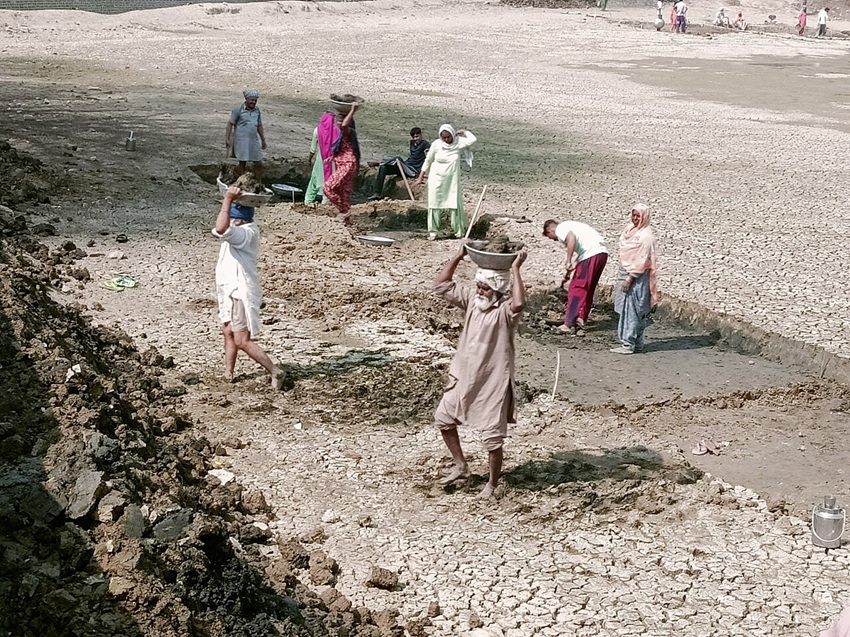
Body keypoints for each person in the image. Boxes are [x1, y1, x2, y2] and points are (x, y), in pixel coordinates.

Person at [433, 241, 527, 498]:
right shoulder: (473, 302)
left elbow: (519, 304)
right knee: (443, 419)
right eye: (479, 285)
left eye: (486, 287)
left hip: (492, 382)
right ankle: (461, 465)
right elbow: (442, 285)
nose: (481, 291)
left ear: (498, 290)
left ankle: (493, 484)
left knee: (492, 440)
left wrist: (516, 268)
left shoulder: (505, 312)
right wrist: (458, 256)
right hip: (463, 376)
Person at [213, 185, 285, 389]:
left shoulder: (245, 234)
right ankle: (229, 372)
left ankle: (275, 370)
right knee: (227, 330)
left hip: (240, 291)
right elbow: (222, 227)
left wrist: (227, 199)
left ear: (238, 219)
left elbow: (220, 228)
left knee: (241, 339)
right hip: (229, 289)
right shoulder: (240, 229)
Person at [543, 219, 608, 337]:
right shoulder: (575, 226)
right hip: (601, 254)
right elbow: (583, 250)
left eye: (550, 237)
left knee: (576, 288)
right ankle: (581, 318)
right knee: (588, 288)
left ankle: (568, 323)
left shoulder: (561, 228)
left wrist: (568, 261)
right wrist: (571, 269)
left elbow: (571, 238)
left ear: (550, 230)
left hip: (590, 255)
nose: (554, 239)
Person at [611, 203, 658, 355]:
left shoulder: (646, 237)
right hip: (626, 272)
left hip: (636, 278)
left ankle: (628, 343)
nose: (635, 218)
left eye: (639, 216)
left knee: (632, 310)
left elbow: (642, 261)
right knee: (629, 309)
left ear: (645, 217)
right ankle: (637, 343)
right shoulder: (631, 230)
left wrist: (630, 278)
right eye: (634, 215)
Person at [415, 124, 477, 241]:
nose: (447, 140)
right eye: (444, 138)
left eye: (448, 137)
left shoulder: (458, 143)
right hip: (436, 179)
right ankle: (433, 232)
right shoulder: (436, 145)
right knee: (434, 204)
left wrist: (464, 131)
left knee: (454, 204)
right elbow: (428, 161)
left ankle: (458, 232)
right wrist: (420, 177)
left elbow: (473, 139)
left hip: (452, 181)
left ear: (452, 135)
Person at [321, 103, 360, 225]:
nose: (337, 123)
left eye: (338, 121)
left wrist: (352, 110)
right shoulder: (343, 135)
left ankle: (343, 211)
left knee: (328, 188)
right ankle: (347, 223)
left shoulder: (347, 131)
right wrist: (333, 157)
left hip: (348, 164)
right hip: (347, 164)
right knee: (344, 193)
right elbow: (342, 148)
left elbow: (344, 125)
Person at [368, 127, 429, 200]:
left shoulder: (425, 144)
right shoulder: (412, 143)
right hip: (406, 166)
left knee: (398, 158)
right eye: (414, 137)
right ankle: (377, 193)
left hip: (413, 171)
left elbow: (428, 156)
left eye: (417, 136)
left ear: (421, 135)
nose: (416, 139)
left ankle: (380, 162)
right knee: (383, 168)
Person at [226, 89, 267, 183]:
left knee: (258, 162)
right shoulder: (238, 110)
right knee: (242, 162)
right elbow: (230, 124)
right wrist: (227, 138)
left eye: (255, 100)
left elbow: (259, 125)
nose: (253, 102)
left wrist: (263, 139)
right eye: (251, 100)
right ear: (246, 99)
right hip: (241, 140)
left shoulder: (257, 111)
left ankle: (258, 182)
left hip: (253, 140)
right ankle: (241, 182)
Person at [304, 126, 325, 206]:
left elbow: (313, 149)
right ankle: (324, 204)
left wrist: (309, 159)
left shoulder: (318, 130)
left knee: (314, 180)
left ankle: (308, 201)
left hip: (320, 160)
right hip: (332, 161)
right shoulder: (336, 132)